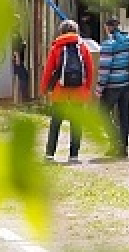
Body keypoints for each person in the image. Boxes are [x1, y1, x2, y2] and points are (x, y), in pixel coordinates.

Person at [39, 19, 96, 162]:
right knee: (76, 123)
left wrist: (44, 89)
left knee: (56, 123)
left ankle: (50, 154)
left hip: (60, 91)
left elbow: (48, 71)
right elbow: (90, 69)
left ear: (61, 31)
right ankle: (74, 155)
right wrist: (87, 88)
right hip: (78, 91)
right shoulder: (83, 47)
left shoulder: (56, 47)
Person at [95, 16, 129, 158]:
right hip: (127, 84)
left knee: (102, 113)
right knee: (124, 116)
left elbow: (104, 69)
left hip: (112, 86)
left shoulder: (108, 44)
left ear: (107, 28)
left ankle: (115, 141)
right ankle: (123, 148)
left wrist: (99, 88)